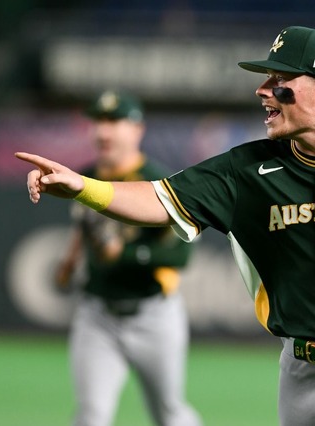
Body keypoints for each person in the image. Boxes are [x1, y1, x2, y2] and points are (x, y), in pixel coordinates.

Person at [16, 27, 315, 426]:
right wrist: (84, 187)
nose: (263, 91)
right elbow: (159, 199)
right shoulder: (246, 171)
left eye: (280, 81)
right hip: (297, 372)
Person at [54, 91, 202, 426]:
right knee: (91, 416)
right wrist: (69, 261)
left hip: (154, 315)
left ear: (137, 129)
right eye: (98, 121)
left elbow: (181, 253)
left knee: (169, 413)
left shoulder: (160, 181)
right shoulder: (85, 176)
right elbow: (82, 230)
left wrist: (126, 254)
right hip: (98, 316)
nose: (103, 131)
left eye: (114, 122)